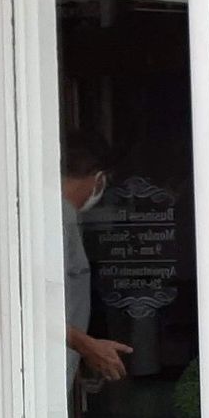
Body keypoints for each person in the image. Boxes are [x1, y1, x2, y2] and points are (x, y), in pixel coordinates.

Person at [62, 134, 131, 386]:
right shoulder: (53, 222)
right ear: (99, 179)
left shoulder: (67, 219)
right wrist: (87, 346)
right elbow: (33, 309)